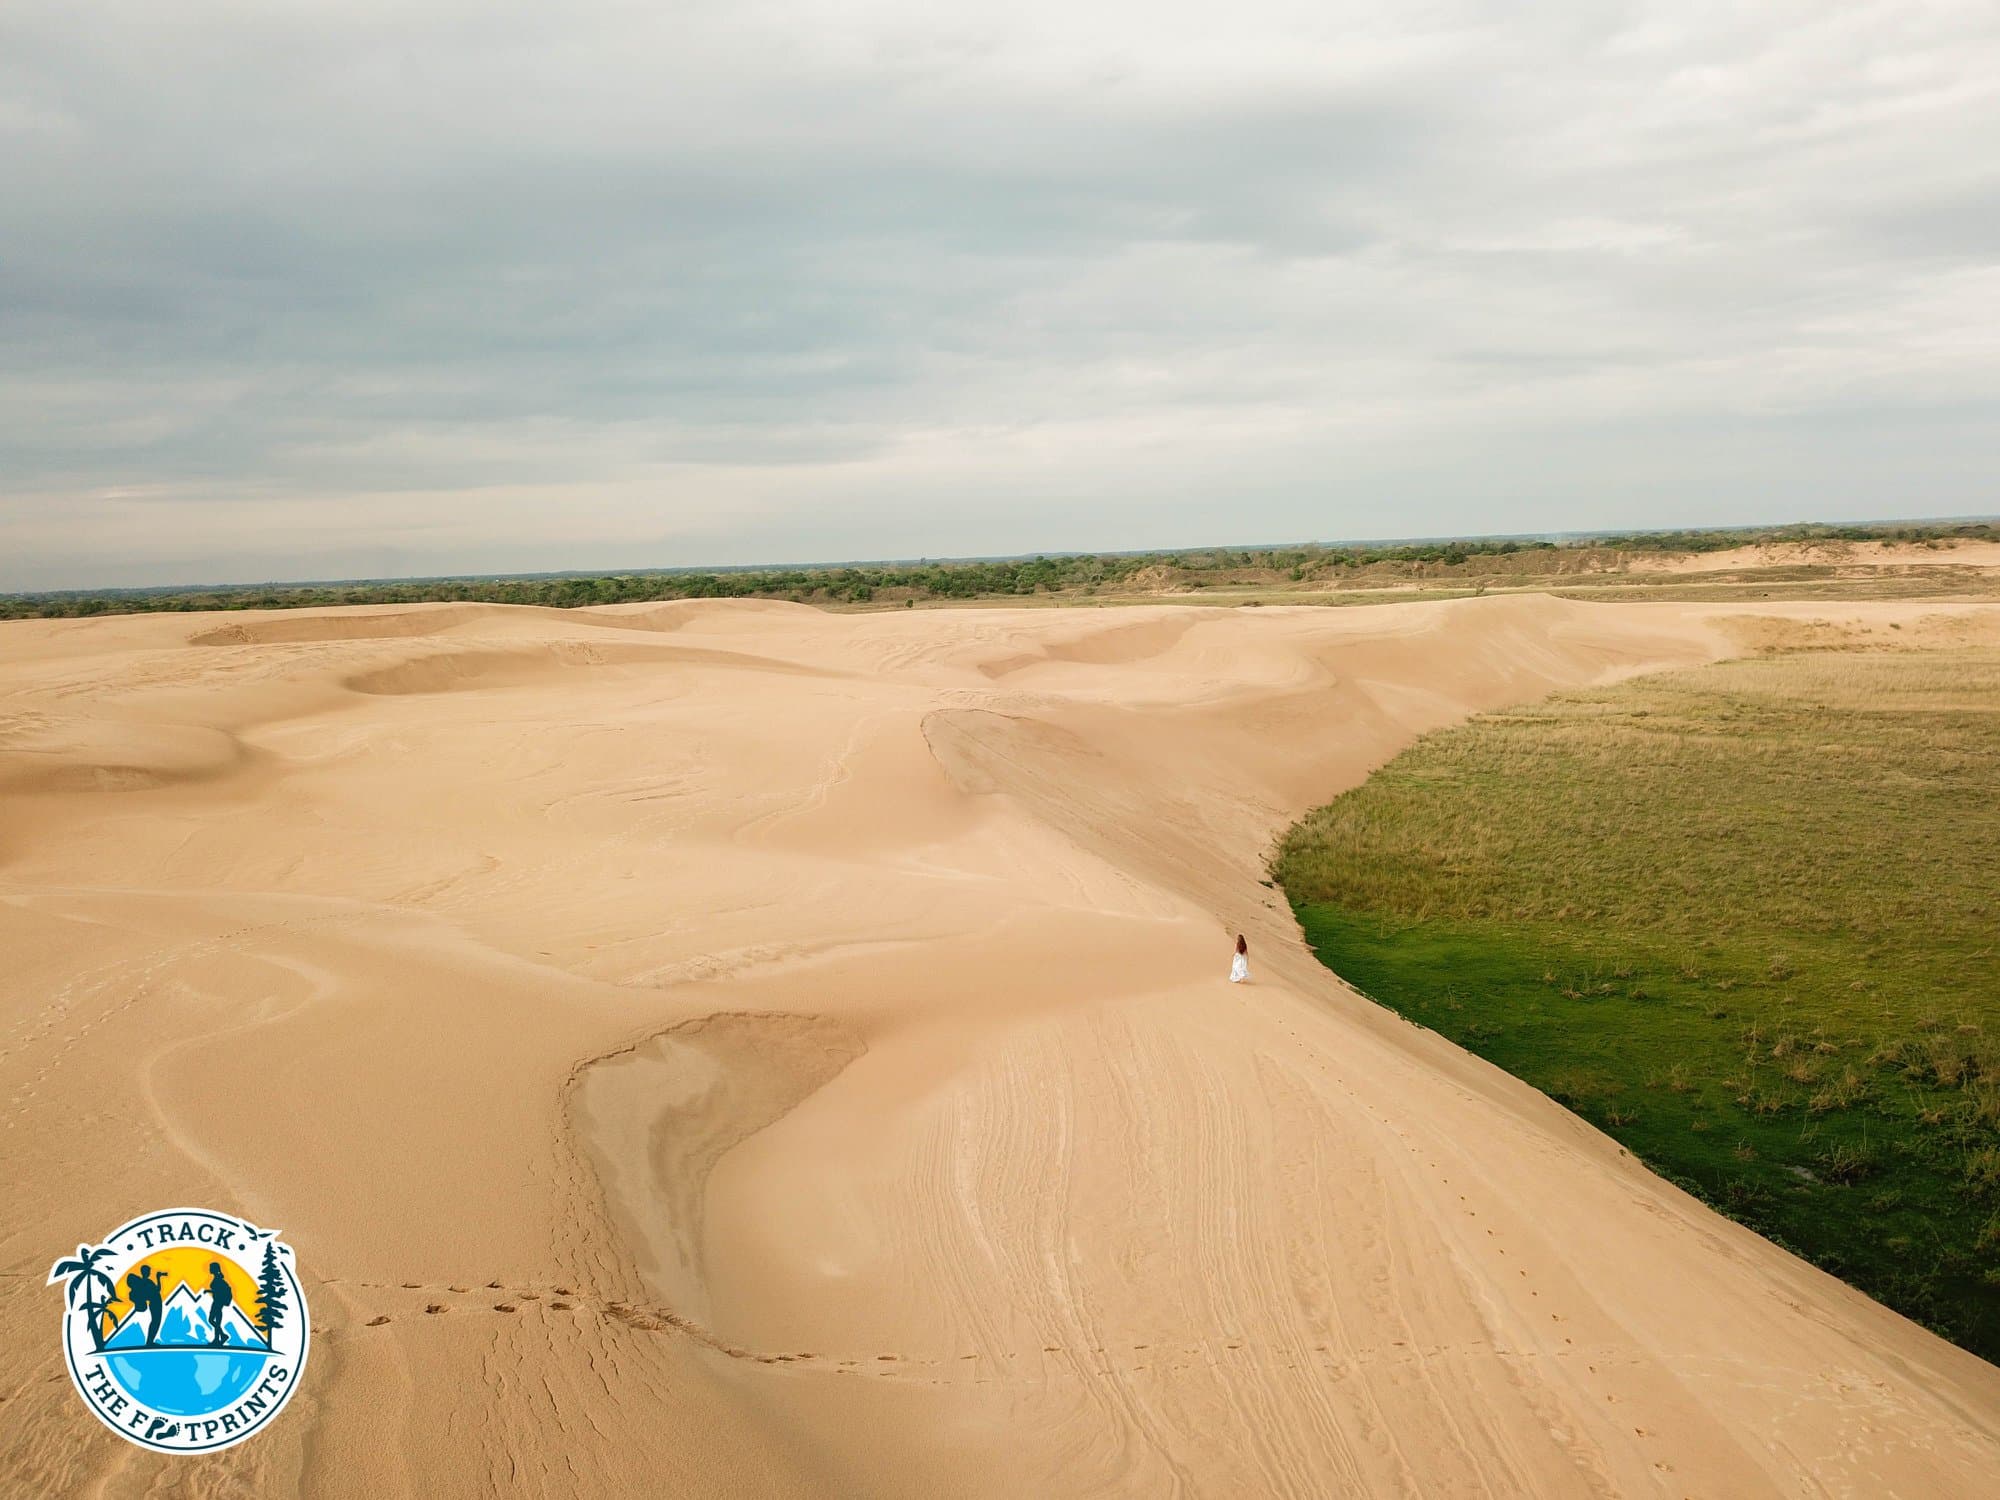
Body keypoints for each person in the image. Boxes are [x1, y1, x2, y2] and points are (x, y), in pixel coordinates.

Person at [126, 1265, 164, 1345]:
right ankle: (149, 1342)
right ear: (145, 1272)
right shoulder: (147, 1282)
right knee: (155, 1322)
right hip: (155, 1303)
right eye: (148, 1271)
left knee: (155, 1322)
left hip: (154, 1303)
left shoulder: (144, 1282)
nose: (149, 1273)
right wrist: (158, 1278)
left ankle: (149, 1341)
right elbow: (157, 1290)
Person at [206, 1262, 234, 1346]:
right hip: (217, 1302)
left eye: (211, 1268)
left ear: (214, 1269)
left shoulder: (218, 1279)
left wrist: (211, 1291)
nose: (209, 1269)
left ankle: (220, 1337)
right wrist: (209, 1291)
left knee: (211, 1320)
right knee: (215, 1322)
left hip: (218, 1302)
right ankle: (219, 1338)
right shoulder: (217, 1278)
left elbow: (219, 1291)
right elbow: (218, 1290)